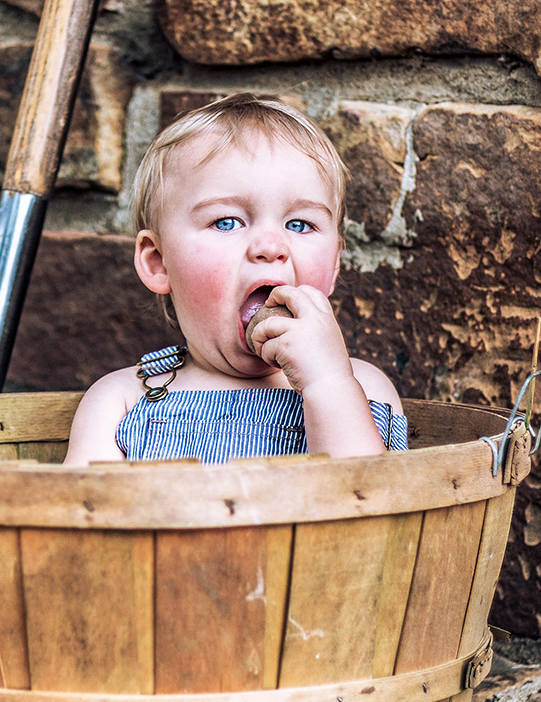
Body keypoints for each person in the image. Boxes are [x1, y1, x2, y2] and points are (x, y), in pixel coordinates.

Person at [63, 93, 408, 465]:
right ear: (159, 262)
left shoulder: (360, 387)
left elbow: (373, 504)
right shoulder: (123, 399)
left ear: (335, 263)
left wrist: (327, 386)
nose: (271, 246)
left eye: (300, 224)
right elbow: (83, 515)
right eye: (226, 222)